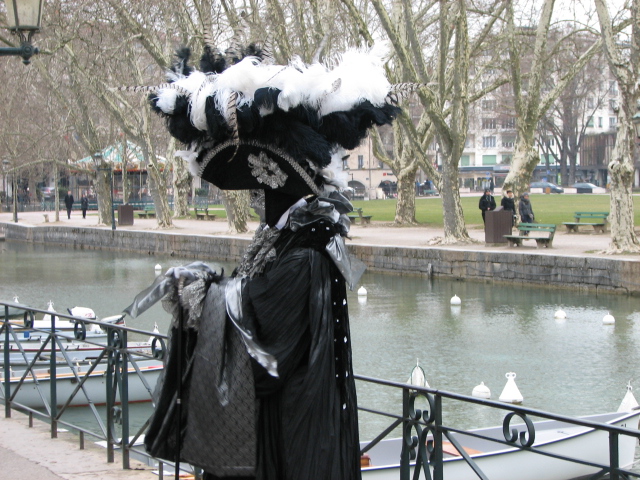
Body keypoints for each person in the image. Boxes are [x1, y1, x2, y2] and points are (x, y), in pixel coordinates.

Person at [125, 43, 402, 480]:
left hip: (288, 436)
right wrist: (213, 290)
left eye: (260, 189)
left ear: (276, 186)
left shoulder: (304, 255)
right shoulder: (285, 242)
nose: (255, 199)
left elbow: (263, 345)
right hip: (277, 426)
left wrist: (204, 295)